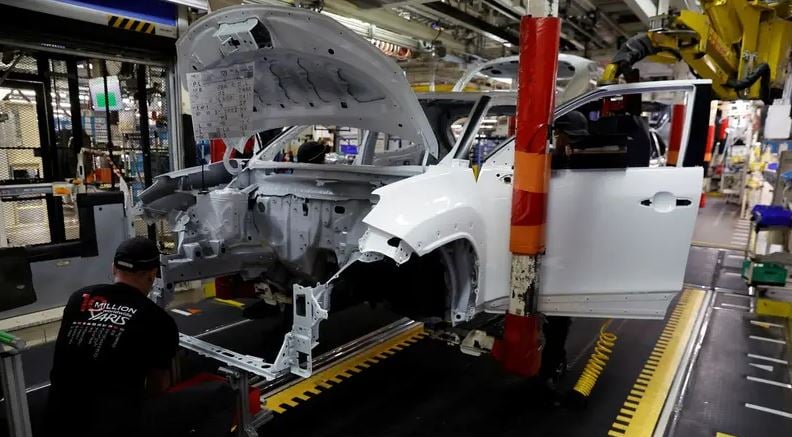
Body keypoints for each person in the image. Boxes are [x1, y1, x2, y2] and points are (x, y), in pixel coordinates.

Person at [46, 237, 235, 437]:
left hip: (57, 422)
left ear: (113, 268)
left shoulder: (79, 298)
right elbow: (158, 387)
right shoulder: (157, 319)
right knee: (221, 395)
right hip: (115, 427)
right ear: (152, 275)